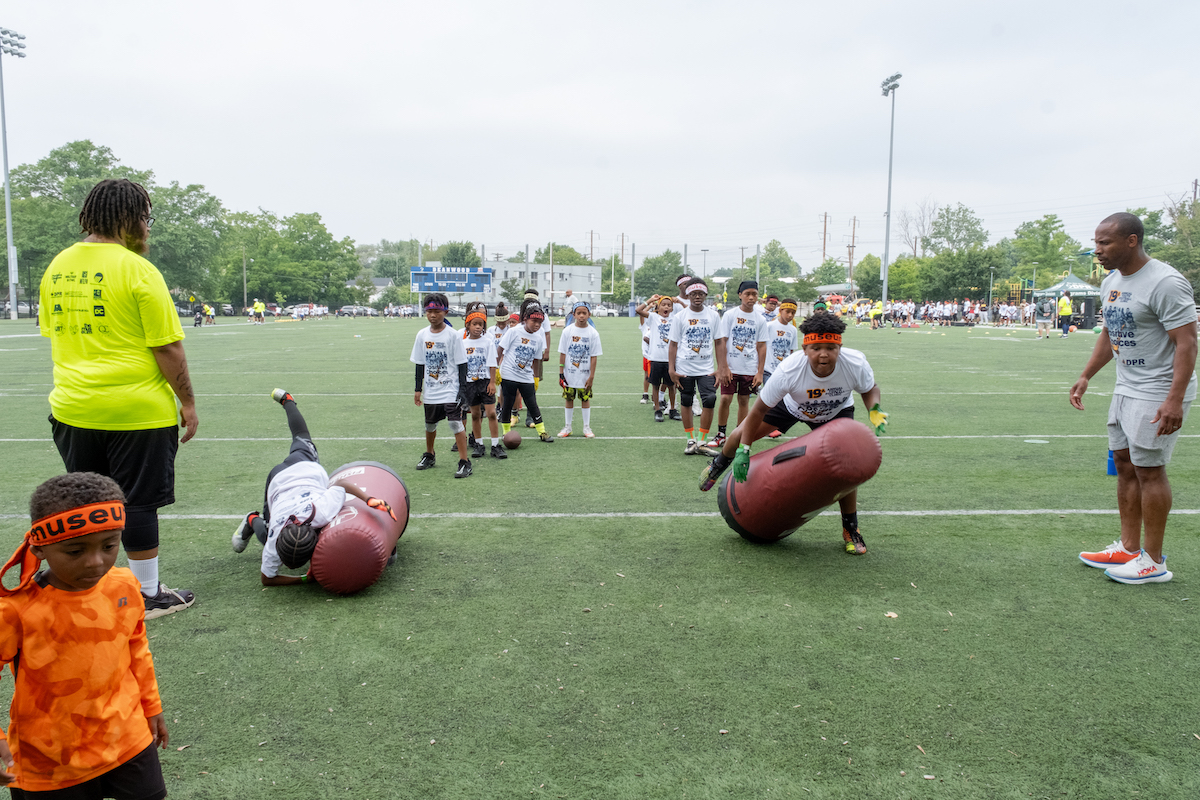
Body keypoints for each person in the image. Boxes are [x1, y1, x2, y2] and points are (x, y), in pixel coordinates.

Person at [38, 178, 197, 620]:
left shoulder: (58, 266)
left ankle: (90, 588)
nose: (148, 228)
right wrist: (188, 402)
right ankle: (146, 594)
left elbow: (55, 333)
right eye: (145, 218)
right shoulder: (139, 270)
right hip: (136, 411)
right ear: (126, 219)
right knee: (139, 502)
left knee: (91, 500)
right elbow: (166, 347)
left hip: (72, 408)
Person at [0, 472, 169, 798]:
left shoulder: (123, 585)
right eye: (75, 551)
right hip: (52, 759)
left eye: (109, 546)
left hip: (128, 738)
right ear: (41, 547)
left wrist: (152, 706)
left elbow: (136, 646)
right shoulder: (16, 609)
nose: (95, 562)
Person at [1072, 212, 1197, 584]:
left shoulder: (1165, 282)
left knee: (1149, 470)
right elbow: (1111, 334)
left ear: (1131, 241)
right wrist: (1086, 376)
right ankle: (1128, 548)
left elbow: (1187, 343)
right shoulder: (1110, 281)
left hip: (1158, 389)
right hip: (1126, 387)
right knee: (1124, 464)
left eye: (1105, 242)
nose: (1098, 251)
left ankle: (1153, 561)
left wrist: (1174, 399)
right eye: (1096, 242)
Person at [699, 310, 887, 555]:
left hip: (835, 413)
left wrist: (874, 409)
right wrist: (744, 451)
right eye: (816, 347)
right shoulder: (790, 369)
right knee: (739, 434)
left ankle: (851, 528)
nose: (823, 354)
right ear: (804, 348)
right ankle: (719, 463)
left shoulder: (855, 362)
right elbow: (757, 411)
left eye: (830, 348)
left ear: (839, 347)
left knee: (847, 469)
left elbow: (869, 388)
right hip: (791, 407)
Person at [232, 390, 396, 583]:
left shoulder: (322, 512)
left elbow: (341, 484)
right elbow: (266, 579)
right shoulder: (316, 515)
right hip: (279, 481)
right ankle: (251, 519)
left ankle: (288, 400)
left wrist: (369, 499)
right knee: (301, 436)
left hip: (297, 473)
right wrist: (303, 578)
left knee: (301, 436)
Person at [410, 294, 473, 477]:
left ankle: (464, 461)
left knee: (455, 423)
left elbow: (462, 363)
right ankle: (429, 454)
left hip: (450, 388)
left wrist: (462, 389)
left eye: (437, 311)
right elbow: (420, 363)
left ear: (445, 311)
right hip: (431, 389)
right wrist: (417, 389)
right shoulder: (422, 335)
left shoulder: (453, 335)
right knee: (430, 425)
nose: (433, 315)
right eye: (429, 311)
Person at [667, 279, 722, 456]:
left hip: (706, 368)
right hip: (684, 368)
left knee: (710, 399)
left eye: (700, 293)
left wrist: (721, 368)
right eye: (693, 293)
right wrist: (671, 369)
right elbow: (673, 345)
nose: (697, 296)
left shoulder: (713, 315)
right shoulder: (680, 317)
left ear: (705, 295)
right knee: (686, 400)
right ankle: (691, 440)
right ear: (688, 294)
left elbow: (719, 342)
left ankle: (702, 440)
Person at [710, 280, 767, 448]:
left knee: (744, 401)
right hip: (731, 367)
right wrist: (723, 367)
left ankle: (738, 434)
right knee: (726, 398)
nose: (751, 297)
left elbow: (762, 346)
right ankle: (721, 434)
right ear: (740, 295)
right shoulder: (730, 315)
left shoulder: (760, 319)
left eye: (754, 294)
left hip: (749, 368)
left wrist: (760, 372)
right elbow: (722, 341)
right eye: (747, 294)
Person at [497, 301, 554, 443]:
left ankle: (542, 431)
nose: (537, 325)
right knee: (508, 403)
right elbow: (500, 350)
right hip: (509, 373)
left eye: (540, 322)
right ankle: (506, 432)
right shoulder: (514, 331)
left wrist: (535, 377)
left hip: (526, 376)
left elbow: (536, 360)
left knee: (532, 404)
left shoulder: (538, 338)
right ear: (525, 319)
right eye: (534, 321)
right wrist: (496, 369)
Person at [463, 307, 505, 459]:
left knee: (492, 413)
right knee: (475, 415)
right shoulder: (463, 343)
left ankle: (495, 444)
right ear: (468, 325)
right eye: (475, 324)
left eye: (481, 324)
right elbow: (461, 366)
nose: (478, 327)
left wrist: (492, 382)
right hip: (470, 383)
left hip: (485, 381)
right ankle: (479, 444)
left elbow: (492, 363)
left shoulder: (488, 342)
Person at [557, 300, 603, 438]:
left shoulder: (593, 333)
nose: (582, 316)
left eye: (584, 313)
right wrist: (561, 373)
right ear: (574, 314)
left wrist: (592, 376)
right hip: (569, 374)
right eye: (579, 313)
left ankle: (586, 427)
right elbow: (563, 353)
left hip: (585, 375)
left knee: (585, 399)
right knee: (569, 399)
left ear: (589, 314)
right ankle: (567, 427)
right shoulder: (567, 331)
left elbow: (594, 356)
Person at [641, 295, 678, 422]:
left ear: (672, 308)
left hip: (670, 359)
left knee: (672, 386)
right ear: (658, 307)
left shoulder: (675, 319)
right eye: (663, 304)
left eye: (669, 305)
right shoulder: (654, 317)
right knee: (655, 385)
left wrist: (680, 302)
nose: (666, 307)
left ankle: (672, 409)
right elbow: (639, 311)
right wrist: (650, 300)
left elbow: (687, 312)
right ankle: (657, 410)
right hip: (656, 358)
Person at [763, 298, 799, 385]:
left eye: (793, 313)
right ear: (780, 310)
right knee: (771, 396)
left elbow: (791, 351)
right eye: (787, 312)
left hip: (783, 371)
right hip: (768, 370)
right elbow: (761, 346)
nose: (790, 315)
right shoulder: (769, 326)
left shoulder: (793, 330)